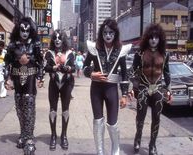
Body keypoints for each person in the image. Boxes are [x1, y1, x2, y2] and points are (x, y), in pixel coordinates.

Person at [83, 18, 130, 155]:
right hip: (96, 89)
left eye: (111, 33)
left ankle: (115, 151)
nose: (108, 36)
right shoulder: (94, 48)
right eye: (105, 33)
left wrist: (125, 95)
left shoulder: (121, 50)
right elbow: (85, 66)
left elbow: (124, 74)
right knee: (98, 122)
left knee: (113, 124)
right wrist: (92, 74)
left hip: (112, 90)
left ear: (115, 33)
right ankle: (100, 152)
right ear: (101, 34)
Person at [3, 17, 44, 155]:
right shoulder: (12, 45)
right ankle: (23, 134)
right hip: (17, 81)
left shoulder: (35, 44)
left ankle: (29, 138)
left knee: (29, 108)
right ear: (18, 30)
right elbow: (7, 63)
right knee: (20, 109)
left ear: (30, 31)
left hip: (30, 81)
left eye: (27, 30)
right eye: (22, 30)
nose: (25, 33)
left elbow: (40, 62)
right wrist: (6, 79)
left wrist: (40, 77)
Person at [132, 23, 172, 155]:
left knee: (157, 118)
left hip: (158, 89)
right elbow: (133, 71)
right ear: (147, 38)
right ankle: (137, 139)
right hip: (143, 88)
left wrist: (169, 90)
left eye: (156, 37)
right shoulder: (140, 53)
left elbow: (167, 73)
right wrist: (132, 88)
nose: (153, 40)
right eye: (151, 37)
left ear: (160, 38)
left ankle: (152, 145)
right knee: (140, 117)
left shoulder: (164, 54)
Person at [44, 29, 75, 151]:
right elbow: (45, 68)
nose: (57, 40)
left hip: (66, 85)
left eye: (59, 38)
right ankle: (53, 135)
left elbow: (74, 67)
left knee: (65, 110)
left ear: (63, 40)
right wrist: (53, 67)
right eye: (55, 38)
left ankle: (64, 135)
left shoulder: (69, 53)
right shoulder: (49, 53)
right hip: (53, 85)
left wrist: (67, 68)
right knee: (52, 110)